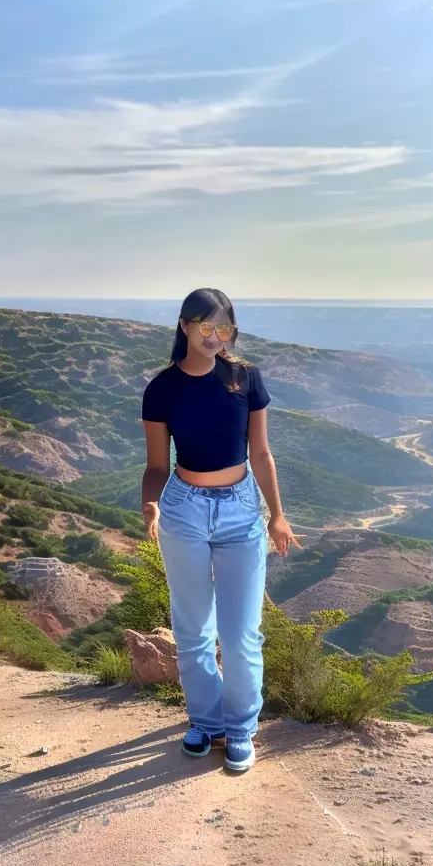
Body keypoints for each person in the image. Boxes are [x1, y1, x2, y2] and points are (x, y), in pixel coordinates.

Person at [140, 288, 302, 772]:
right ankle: (205, 723)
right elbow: (155, 466)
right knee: (192, 629)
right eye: (205, 327)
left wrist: (277, 514)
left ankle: (240, 728)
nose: (215, 337)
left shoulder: (245, 379)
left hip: (240, 512)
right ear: (185, 327)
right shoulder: (162, 389)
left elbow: (261, 454)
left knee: (241, 635)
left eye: (224, 328)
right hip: (183, 510)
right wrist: (149, 505)